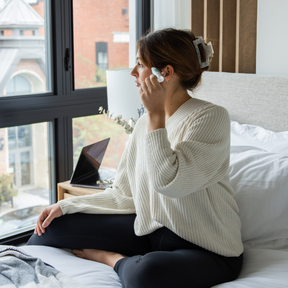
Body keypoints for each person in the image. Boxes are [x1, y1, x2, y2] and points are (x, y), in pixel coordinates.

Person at [28, 28, 244, 288]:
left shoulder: (211, 118)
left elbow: (169, 182)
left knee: (145, 275)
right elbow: (124, 194)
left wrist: (155, 115)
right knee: (49, 228)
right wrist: (66, 207)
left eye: (140, 64)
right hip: (150, 233)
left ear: (164, 73)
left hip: (209, 250)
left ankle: (113, 260)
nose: (133, 72)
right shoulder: (144, 124)